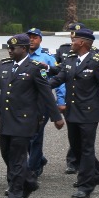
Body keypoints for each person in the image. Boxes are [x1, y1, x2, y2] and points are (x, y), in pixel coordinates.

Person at [0, 34, 63, 198]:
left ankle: (15, 193)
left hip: (25, 121)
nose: (10, 51)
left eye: (14, 48)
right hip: (7, 119)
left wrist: (56, 117)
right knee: (6, 154)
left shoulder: (34, 68)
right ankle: (29, 181)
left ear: (24, 49)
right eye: (9, 48)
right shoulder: (5, 66)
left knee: (17, 158)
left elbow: (46, 94)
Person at [48, 28, 99, 198]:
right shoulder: (70, 60)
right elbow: (59, 78)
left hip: (89, 112)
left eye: (74, 40)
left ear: (83, 43)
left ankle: (85, 185)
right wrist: (40, 86)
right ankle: (93, 174)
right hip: (72, 111)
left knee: (86, 148)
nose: (71, 43)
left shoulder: (96, 62)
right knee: (76, 147)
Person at [25, 27, 63, 181]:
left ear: (40, 39)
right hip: (25, 102)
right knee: (25, 136)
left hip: (42, 103)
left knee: (35, 136)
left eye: (35, 37)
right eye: (29, 37)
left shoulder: (47, 58)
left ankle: (32, 170)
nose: (31, 40)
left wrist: (61, 101)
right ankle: (39, 159)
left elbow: (60, 79)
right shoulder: (22, 55)